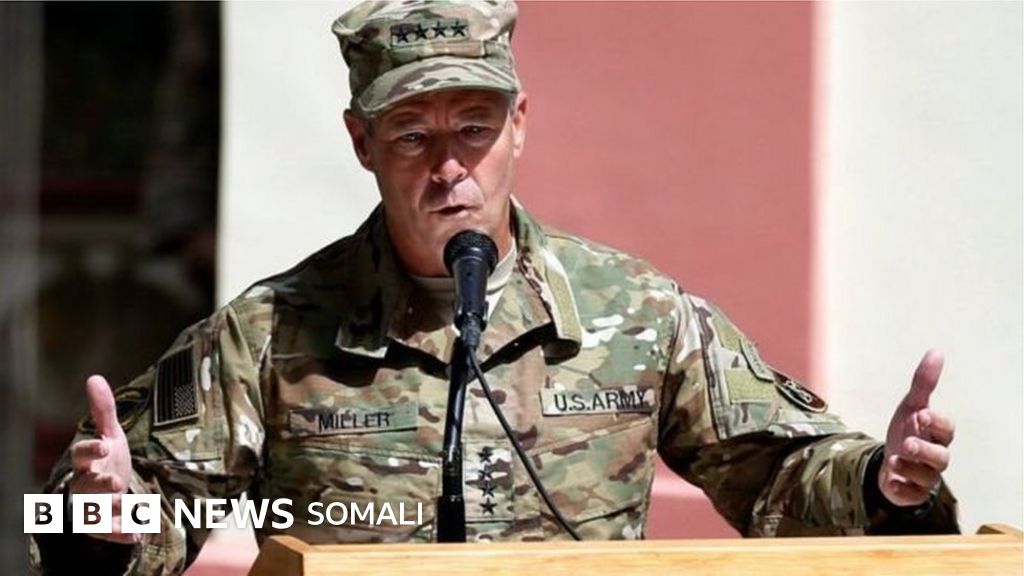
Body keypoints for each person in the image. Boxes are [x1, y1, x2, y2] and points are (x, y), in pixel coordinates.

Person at [30, 1, 959, 574]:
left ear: (520, 125)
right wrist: (98, 516)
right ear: (361, 143)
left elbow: (783, 475)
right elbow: (99, 517)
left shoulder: (637, 314)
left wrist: (883, 482)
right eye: (412, 136)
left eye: (473, 127)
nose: (449, 168)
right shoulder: (269, 332)